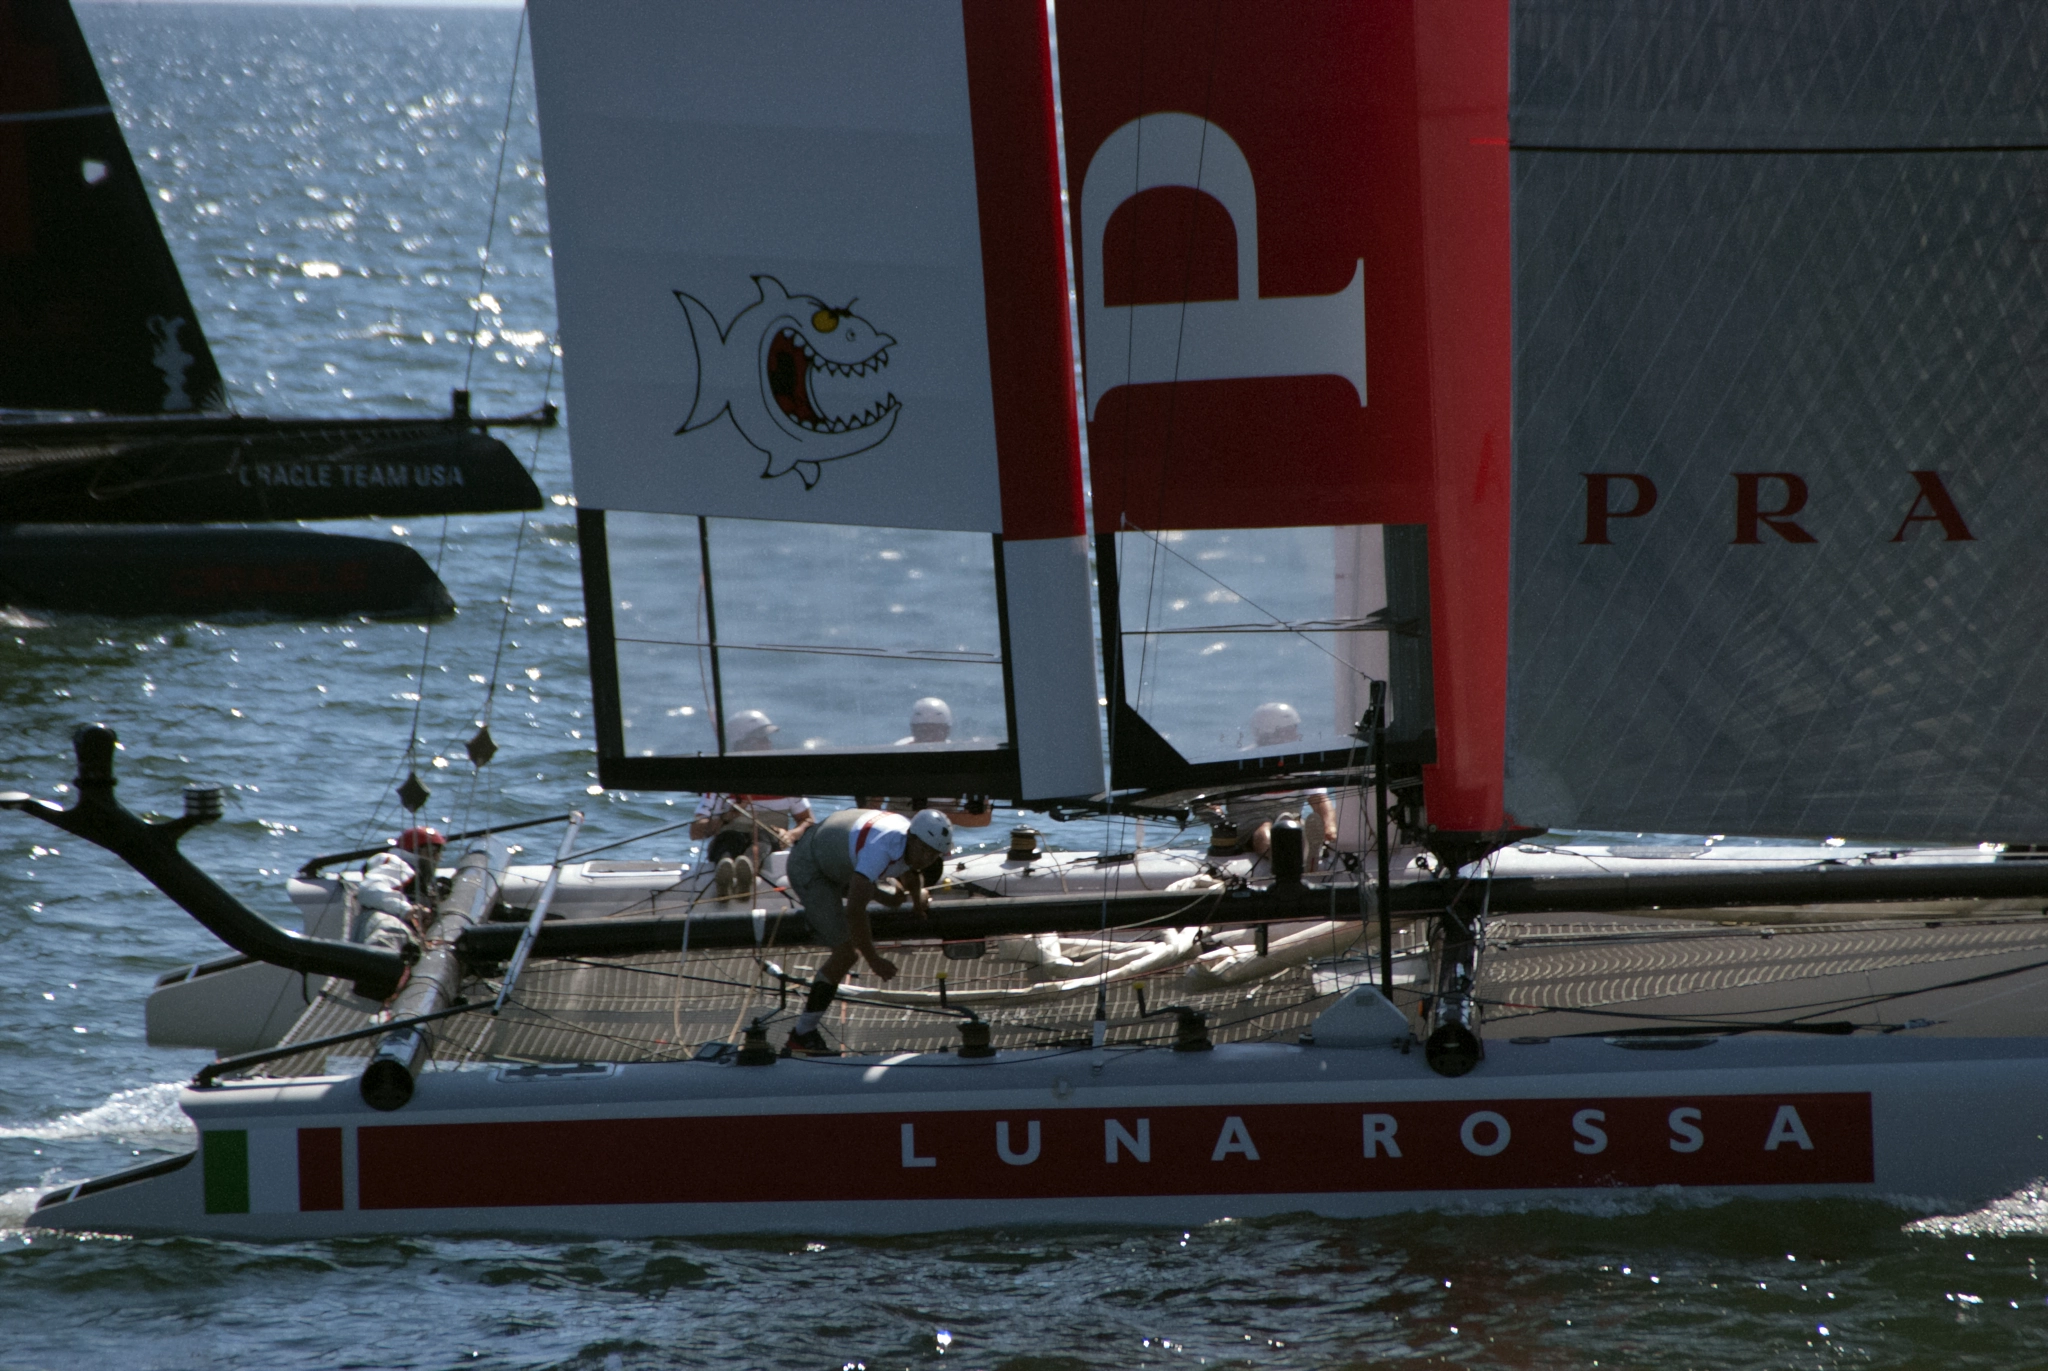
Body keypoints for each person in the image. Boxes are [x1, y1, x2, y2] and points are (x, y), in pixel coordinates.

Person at [779, 806, 953, 1056]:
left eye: (933, 855)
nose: (926, 858)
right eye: (924, 850)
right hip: (812, 867)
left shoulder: (906, 839)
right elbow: (855, 912)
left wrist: (916, 903)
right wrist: (874, 961)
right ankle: (802, 1034)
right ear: (911, 837)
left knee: (889, 897)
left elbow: (911, 871)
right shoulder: (880, 849)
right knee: (846, 955)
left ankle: (876, 892)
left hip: (839, 857)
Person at [689, 709, 814, 898]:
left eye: (767, 739)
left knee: (762, 840)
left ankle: (745, 872)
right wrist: (725, 818)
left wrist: (791, 834)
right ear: (741, 744)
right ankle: (726, 870)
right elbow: (695, 831)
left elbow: (808, 821)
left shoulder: (784, 780)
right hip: (729, 836)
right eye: (761, 739)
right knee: (729, 840)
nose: (768, 744)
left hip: (770, 838)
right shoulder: (722, 784)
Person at [858, 697, 993, 828]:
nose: (929, 736)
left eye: (935, 730)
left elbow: (982, 819)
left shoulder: (960, 761)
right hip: (896, 830)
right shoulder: (895, 757)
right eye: (923, 730)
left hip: (937, 839)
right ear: (913, 729)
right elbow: (871, 809)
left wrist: (934, 817)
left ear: (947, 730)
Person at [1225, 703, 1336, 859]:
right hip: (1251, 823)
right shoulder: (1241, 763)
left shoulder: (1302, 761)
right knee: (1265, 832)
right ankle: (1290, 866)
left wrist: (1329, 826)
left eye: (1294, 730)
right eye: (1287, 732)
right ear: (1267, 734)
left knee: (1294, 829)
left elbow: (1318, 798)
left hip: (1289, 818)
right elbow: (1211, 796)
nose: (1295, 735)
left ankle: (1306, 855)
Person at [354, 825, 441, 955]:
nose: (435, 857)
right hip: (390, 935)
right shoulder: (397, 864)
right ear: (412, 851)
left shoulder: (420, 877)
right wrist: (407, 910)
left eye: (437, 851)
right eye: (429, 850)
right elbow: (370, 889)